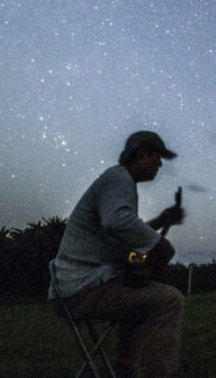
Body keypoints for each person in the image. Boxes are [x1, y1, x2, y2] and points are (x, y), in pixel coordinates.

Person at [49, 130, 186, 377]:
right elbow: (116, 221)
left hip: (74, 285)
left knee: (140, 303)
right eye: (157, 157)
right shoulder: (119, 178)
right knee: (170, 300)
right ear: (142, 153)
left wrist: (159, 222)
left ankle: (125, 372)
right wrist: (159, 245)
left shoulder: (118, 181)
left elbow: (117, 230)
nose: (160, 164)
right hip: (83, 287)